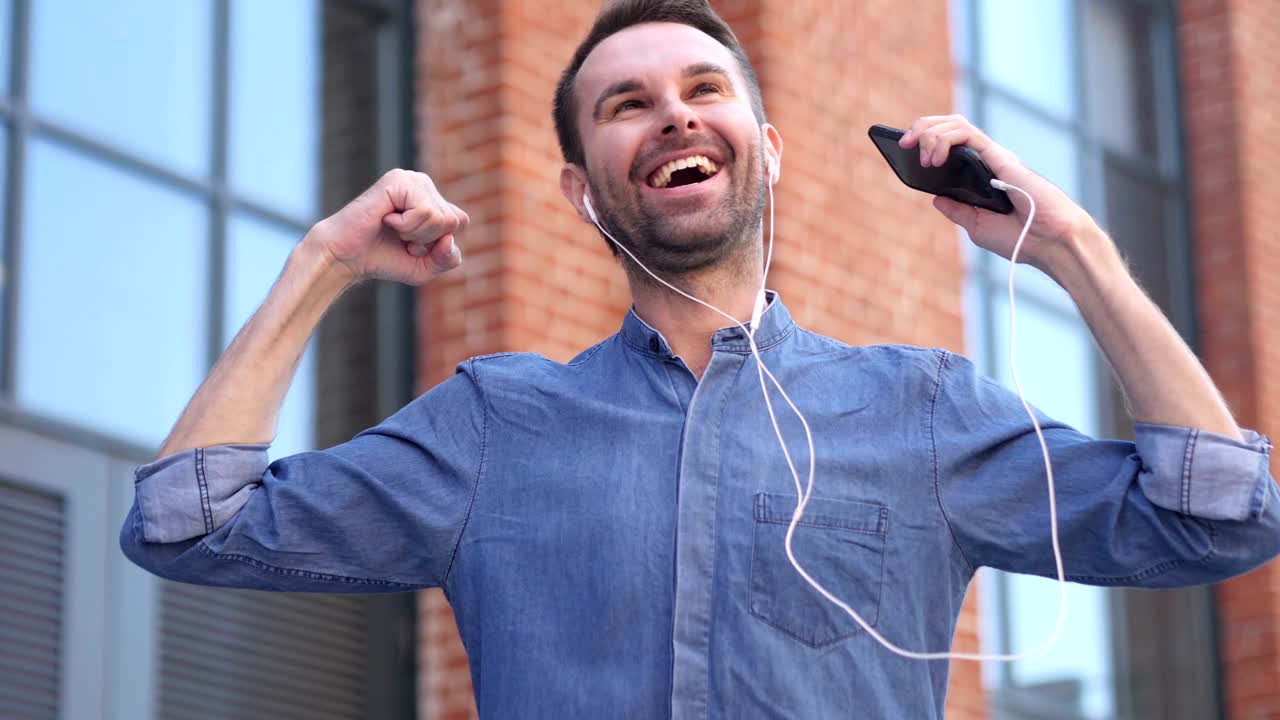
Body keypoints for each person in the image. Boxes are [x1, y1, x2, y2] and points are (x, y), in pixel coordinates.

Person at [121, 1, 1280, 717]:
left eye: (703, 89)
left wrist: (1073, 249)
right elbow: (189, 524)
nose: (671, 115)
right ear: (582, 189)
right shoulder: (489, 428)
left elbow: (1218, 516)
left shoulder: (921, 410)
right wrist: (323, 262)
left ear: (763, 152)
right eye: (625, 104)